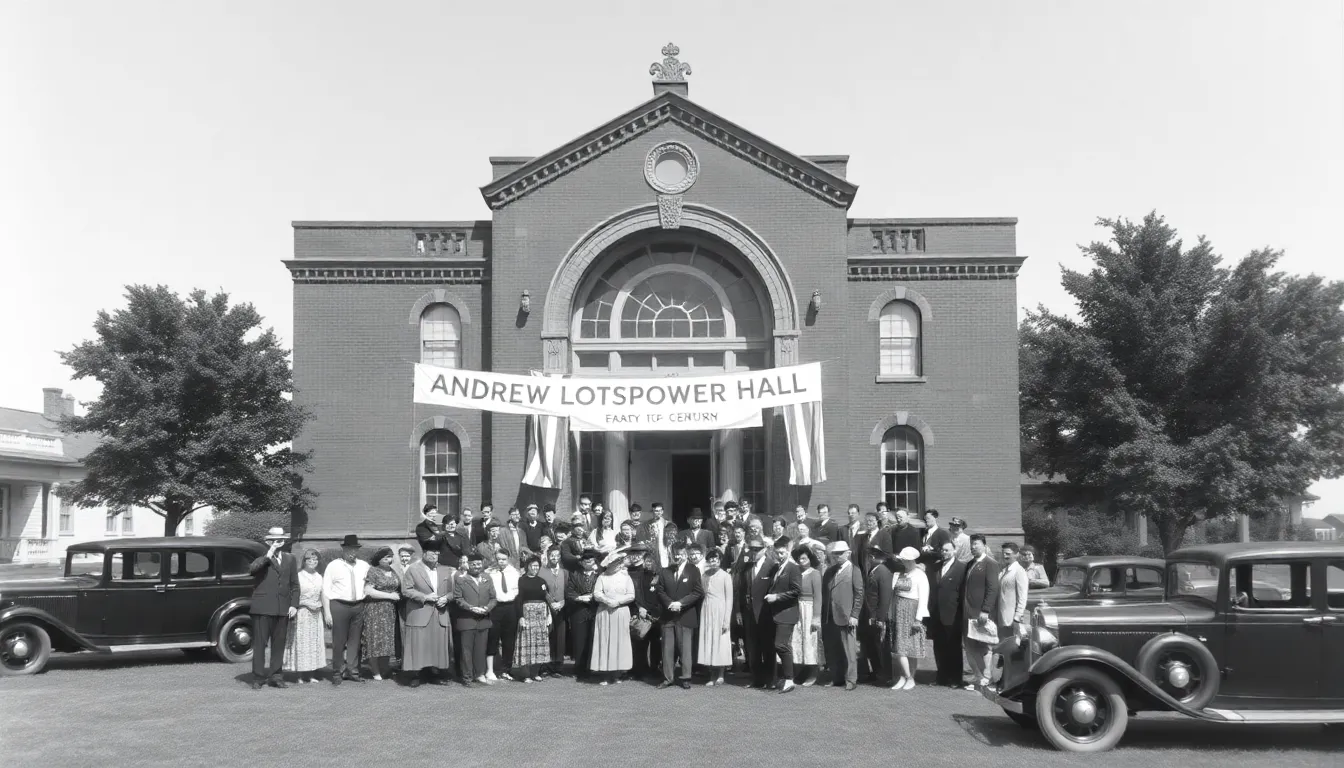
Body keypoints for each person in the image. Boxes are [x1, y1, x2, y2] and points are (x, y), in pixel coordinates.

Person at [247, 526, 300, 689]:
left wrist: (294, 605)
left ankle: (276, 676)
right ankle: (258, 677)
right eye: (275, 540)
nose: (279, 542)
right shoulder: (262, 557)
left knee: (279, 645)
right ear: (268, 541)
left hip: (282, 609)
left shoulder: (290, 559)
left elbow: (295, 585)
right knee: (260, 645)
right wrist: (269, 553)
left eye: (281, 540)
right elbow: (252, 570)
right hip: (262, 608)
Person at [401, 546, 455, 686]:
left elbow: (453, 591)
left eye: (437, 552)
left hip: (439, 612)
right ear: (424, 553)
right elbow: (406, 590)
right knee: (418, 644)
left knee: (436, 643)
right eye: (432, 552)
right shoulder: (413, 569)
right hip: (420, 611)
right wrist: (424, 597)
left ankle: (435, 673)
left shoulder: (446, 570)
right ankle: (415, 674)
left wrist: (446, 598)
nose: (435, 554)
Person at [323, 534, 370, 684]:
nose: (352, 552)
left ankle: (352, 671)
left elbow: (370, 584)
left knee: (355, 641)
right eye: (349, 549)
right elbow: (325, 590)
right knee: (339, 641)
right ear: (343, 549)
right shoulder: (333, 566)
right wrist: (327, 612)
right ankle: (337, 672)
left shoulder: (364, 566)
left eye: (354, 549)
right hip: (339, 605)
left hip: (358, 606)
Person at [656, 542, 704, 690]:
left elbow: (697, 592)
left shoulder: (693, 570)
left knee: (685, 649)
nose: (677, 557)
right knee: (667, 649)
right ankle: (668, 678)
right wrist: (670, 603)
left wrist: (681, 603)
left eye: (681, 554)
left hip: (686, 615)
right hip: (668, 616)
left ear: (686, 554)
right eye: (675, 554)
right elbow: (660, 591)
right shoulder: (665, 571)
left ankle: (686, 678)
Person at [821, 541, 863, 690]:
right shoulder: (830, 571)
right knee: (833, 649)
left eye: (840, 553)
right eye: (835, 554)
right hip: (829, 616)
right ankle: (836, 677)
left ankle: (851, 679)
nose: (837, 556)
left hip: (846, 616)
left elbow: (859, 594)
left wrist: (854, 615)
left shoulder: (854, 570)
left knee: (849, 650)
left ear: (848, 553)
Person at [962, 533, 1001, 691]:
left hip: (980, 613)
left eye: (976, 544)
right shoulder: (970, 564)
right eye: (971, 544)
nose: (973, 547)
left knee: (983, 646)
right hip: (968, 613)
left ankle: (986, 677)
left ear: (984, 545)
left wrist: (985, 610)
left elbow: (993, 588)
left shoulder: (990, 564)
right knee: (969, 645)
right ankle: (977, 676)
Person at [591, 548, 635, 685]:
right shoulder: (602, 577)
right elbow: (597, 593)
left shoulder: (626, 577)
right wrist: (607, 600)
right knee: (604, 641)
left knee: (619, 641)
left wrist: (618, 602)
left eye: (618, 562)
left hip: (620, 612)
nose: (616, 565)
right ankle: (604, 674)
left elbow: (631, 595)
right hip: (605, 612)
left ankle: (617, 673)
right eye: (614, 563)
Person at [452, 552, 496, 686]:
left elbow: (493, 598)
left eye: (479, 564)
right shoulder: (461, 579)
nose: (477, 567)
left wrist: (487, 608)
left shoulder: (487, 578)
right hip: (467, 620)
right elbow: (458, 598)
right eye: (474, 564)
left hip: (484, 619)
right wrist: (471, 608)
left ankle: (480, 674)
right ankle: (467, 677)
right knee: (467, 651)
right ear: (468, 565)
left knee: (480, 649)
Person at [283, 548, 326, 684]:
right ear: (304, 561)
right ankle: (300, 675)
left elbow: (322, 595)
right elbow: (293, 595)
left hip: (316, 614)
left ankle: (311, 674)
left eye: (315, 559)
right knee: (302, 643)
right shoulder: (299, 576)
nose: (313, 562)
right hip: (302, 613)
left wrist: (322, 608)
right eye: (310, 559)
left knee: (314, 643)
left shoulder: (319, 577)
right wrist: (305, 603)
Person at [928, 540, 967, 687]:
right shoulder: (936, 567)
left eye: (947, 550)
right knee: (939, 646)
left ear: (954, 550)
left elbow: (963, 592)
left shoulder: (961, 568)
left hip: (953, 614)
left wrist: (961, 613)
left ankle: (956, 679)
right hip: (936, 614)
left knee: (954, 647)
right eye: (943, 550)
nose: (944, 553)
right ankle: (941, 677)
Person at [765, 537, 802, 694]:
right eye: (777, 553)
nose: (779, 556)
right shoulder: (777, 567)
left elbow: (797, 591)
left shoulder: (793, 568)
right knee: (781, 645)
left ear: (788, 552)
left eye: (782, 553)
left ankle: (789, 679)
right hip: (776, 613)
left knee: (781, 645)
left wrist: (777, 597)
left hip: (788, 613)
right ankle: (785, 677)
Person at [890, 547, 929, 690]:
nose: (905, 563)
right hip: (899, 610)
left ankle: (909, 678)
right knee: (900, 648)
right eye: (903, 560)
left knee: (910, 648)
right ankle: (903, 677)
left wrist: (918, 619)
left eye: (907, 560)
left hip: (912, 611)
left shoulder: (920, 575)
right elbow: (894, 593)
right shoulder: (899, 574)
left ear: (913, 560)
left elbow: (924, 598)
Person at [737, 537, 775, 688]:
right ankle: (757, 679)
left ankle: (770, 680)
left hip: (766, 612)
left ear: (764, 549)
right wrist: (738, 611)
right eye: (752, 549)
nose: (754, 552)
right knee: (753, 648)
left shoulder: (772, 566)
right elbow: (740, 590)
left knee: (768, 647)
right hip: (749, 612)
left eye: (757, 549)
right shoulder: (746, 567)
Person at [361, 547, 402, 681]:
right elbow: (368, 591)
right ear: (378, 559)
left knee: (387, 640)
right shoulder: (373, 571)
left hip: (389, 611)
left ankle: (385, 668)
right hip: (375, 610)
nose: (388, 559)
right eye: (385, 557)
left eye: (390, 557)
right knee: (374, 640)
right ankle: (375, 670)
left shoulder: (392, 571)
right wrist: (390, 596)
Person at [697, 546, 734, 686]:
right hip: (707, 609)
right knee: (709, 640)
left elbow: (729, 599)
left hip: (720, 610)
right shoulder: (704, 575)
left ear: (720, 561)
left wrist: (726, 620)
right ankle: (711, 674)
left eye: (716, 559)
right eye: (711, 559)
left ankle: (721, 674)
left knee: (721, 641)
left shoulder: (726, 576)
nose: (713, 562)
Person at [995, 542, 1030, 685]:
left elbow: (1023, 596)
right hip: (1002, 616)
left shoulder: (1019, 571)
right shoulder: (1004, 570)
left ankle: (1011, 681)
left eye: (1008, 554)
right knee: (1004, 649)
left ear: (1016, 554)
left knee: (1012, 649)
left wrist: (1018, 616)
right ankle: (1004, 679)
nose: (1005, 556)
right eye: (1003, 553)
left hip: (1012, 618)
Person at [860, 547, 895, 685]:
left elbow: (885, 598)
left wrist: (880, 618)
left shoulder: (883, 572)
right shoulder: (874, 570)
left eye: (868, 557)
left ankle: (885, 674)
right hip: (870, 615)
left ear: (873, 557)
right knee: (872, 646)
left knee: (881, 646)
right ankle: (876, 672)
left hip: (877, 616)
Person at [514, 555, 552, 683]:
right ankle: (525, 674)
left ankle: (535, 672)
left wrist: (549, 615)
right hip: (527, 615)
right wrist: (520, 616)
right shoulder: (521, 580)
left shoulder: (542, 581)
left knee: (539, 643)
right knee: (526, 643)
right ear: (527, 567)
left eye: (537, 566)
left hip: (541, 616)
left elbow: (547, 598)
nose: (535, 568)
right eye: (532, 566)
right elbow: (519, 599)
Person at [626, 543, 661, 680]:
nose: (648, 564)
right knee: (640, 641)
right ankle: (639, 670)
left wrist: (655, 610)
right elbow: (636, 593)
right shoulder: (634, 573)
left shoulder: (659, 575)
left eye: (651, 561)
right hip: (641, 612)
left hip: (656, 613)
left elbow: (661, 594)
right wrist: (640, 607)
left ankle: (655, 669)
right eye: (647, 561)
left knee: (656, 643)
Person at [565, 549, 601, 680]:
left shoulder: (599, 575)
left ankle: (592, 667)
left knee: (593, 639)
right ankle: (579, 668)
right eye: (586, 561)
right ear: (581, 563)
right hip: (579, 610)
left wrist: (594, 596)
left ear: (594, 561)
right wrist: (580, 598)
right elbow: (569, 591)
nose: (588, 563)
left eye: (590, 561)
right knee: (579, 640)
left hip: (594, 610)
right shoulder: (575, 574)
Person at [790, 545, 823, 686]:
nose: (801, 561)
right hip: (797, 609)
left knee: (810, 641)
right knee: (797, 641)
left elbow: (818, 597)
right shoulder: (796, 572)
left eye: (804, 558)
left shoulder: (815, 574)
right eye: (799, 559)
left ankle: (813, 673)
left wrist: (816, 617)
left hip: (809, 609)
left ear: (810, 559)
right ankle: (800, 672)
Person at [486, 549, 521, 681]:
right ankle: (490, 669)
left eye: (504, 559)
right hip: (495, 607)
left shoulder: (514, 573)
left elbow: (517, 592)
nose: (501, 561)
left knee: (509, 640)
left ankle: (506, 670)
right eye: (498, 559)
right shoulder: (489, 572)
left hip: (510, 607)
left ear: (508, 559)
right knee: (492, 637)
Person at [538, 545, 568, 677]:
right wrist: (551, 602)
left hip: (562, 609)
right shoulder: (542, 571)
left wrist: (562, 602)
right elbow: (542, 590)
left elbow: (568, 590)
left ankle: (558, 666)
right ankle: (545, 665)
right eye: (552, 555)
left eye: (557, 555)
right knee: (547, 636)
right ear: (548, 556)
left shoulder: (565, 572)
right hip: (547, 608)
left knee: (560, 637)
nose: (554, 558)